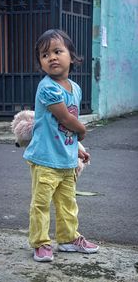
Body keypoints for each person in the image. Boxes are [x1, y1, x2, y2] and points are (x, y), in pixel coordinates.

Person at [23, 29, 99, 262]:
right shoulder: (48, 87)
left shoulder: (74, 88)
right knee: (41, 204)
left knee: (68, 203)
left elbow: (63, 130)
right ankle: (41, 243)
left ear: (71, 56)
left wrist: (77, 148)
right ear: (41, 63)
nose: (52, 58)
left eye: (58, 51)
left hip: (66, 161)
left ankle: (67, 239)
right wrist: (83, 130)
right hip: (45, 159)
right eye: (45, 55)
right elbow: (66, 119)